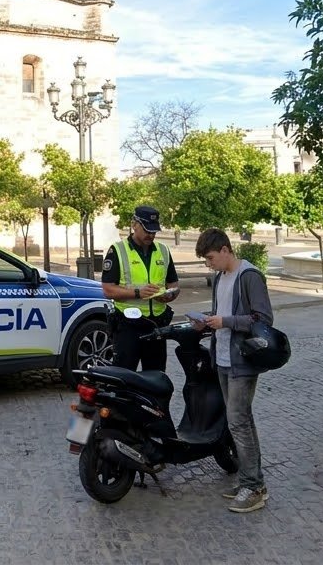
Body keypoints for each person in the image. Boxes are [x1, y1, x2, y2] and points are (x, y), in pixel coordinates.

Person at [193, 227, 274, 514]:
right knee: (240, 420)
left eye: (211, 258)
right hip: (223, 358)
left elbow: (262, 319)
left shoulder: (249, 276)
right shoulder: (220, 278)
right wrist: (205, 322)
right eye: (206, 260)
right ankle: (253, 482)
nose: (209, 264)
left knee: (238, 421)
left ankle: (252, 487)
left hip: (242, 361)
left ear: (226, 250)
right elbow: (223, 314)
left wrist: (225, 321)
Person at [101, 205, 180, 372]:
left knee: (155, 377)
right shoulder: (118, 250)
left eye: (154, 231)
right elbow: (108, 290)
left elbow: (173, 284)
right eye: (146, 230)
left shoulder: (163, 250)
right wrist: (138, 293)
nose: (150, 235)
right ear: (134, 224)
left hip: (156, 325)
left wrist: (169, 295)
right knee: (123, 378)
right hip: (128, 326)